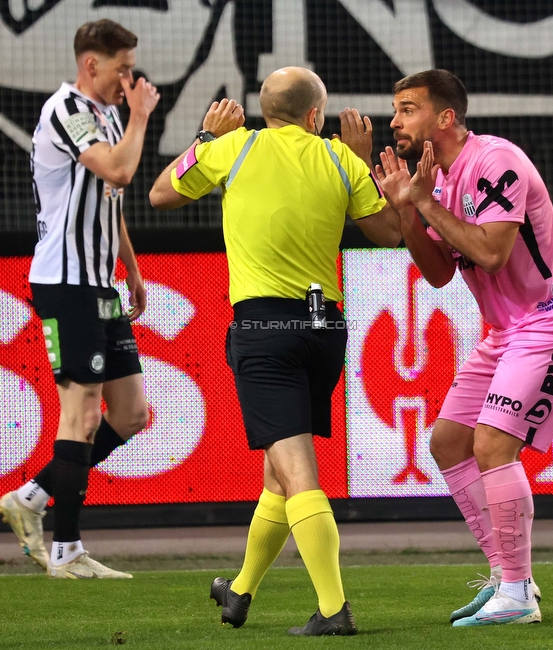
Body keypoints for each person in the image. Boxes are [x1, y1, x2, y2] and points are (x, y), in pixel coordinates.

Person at [149, 67, 400, 635]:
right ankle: (239, 592)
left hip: (264, 333)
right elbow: (391, 232)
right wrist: (361, 165)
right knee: (278, 476)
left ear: (264, 112)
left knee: (300, 477)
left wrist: (207, 139)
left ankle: (334, 610)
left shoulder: (232, 150)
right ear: (315, 116)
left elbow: (160, 193)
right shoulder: (338, 158)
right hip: (323, 330)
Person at [368, 70, 553, 625]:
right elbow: (439, 274)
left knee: (493, 444)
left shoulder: (496, 162)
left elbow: (491, 254)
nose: (394, 121)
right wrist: (407, 206)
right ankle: (506, 577)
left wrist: (426, 203)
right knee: (449, 443)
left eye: (407, 108)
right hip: (505, 332)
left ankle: (516, 595)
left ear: (445, 118)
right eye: (395, 110)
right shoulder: (437, 180)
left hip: (551, 321)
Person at [0, 19, 160, 579]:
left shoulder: (110, 115)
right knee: (83, 415)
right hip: (65, 284)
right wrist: (140, 117)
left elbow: (109, 201)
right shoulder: (67, 110)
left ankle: (33, 497)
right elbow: (118, 168)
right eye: (122, 69)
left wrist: (131, 272)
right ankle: (66, 551)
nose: (129, 80)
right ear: (91, 65)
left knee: (133, 413)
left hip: (100, 283)